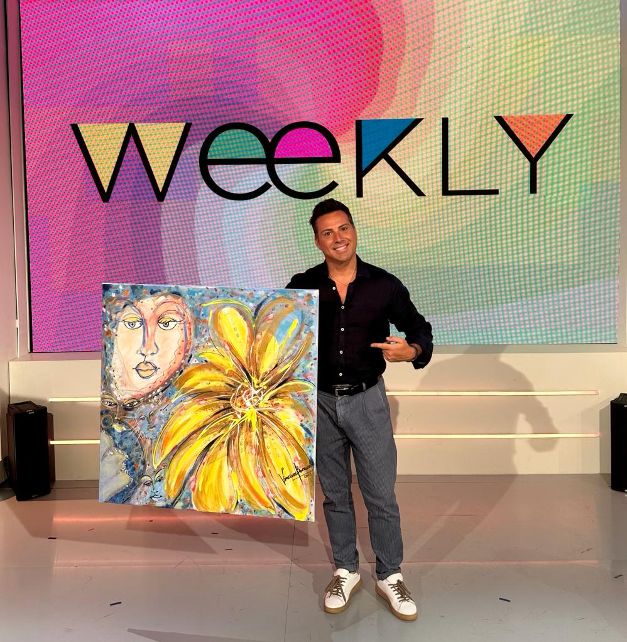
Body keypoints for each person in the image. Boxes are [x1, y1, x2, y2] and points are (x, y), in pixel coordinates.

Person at [287, 199, 433, 622]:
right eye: (328, 232)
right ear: (318, 241)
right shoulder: (302, 285)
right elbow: (276, 330)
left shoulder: (384, 285)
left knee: (380, 494)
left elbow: (419, 328)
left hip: (367, 400)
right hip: (319, 401)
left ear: (354, 231)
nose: (338, 238)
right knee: (335, 494)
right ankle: (346, 570)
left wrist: (413, 349)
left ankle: (390, 574)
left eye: (344, 228)